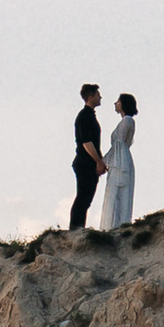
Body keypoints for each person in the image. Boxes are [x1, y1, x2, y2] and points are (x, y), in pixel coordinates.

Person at [68, 83, 104, 230]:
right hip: (85, 163)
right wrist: (98, 161)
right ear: (90, 97)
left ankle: (78, 227)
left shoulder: (89, 116)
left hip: (88, 163)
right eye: (97, 94)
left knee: (86, 198)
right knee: (83, 197)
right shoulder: (84, 116)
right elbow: (86, 142)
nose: (100, 97)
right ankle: (75, 228)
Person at [103, 92, 137, 231]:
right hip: (121, 158)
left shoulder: (127, 121)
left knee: (118, 191)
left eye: (118, 101)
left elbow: (119, 143)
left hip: (120, 159)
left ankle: (116, 225)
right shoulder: (127, 121)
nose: (115, 103)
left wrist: (104, 161)